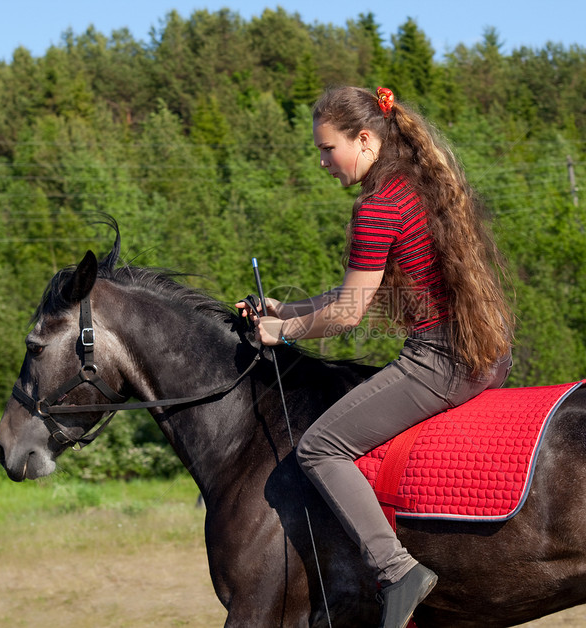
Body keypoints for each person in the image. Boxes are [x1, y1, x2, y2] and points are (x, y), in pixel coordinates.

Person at [237, 86, 514, 628]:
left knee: (319, 447)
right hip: (482, 352)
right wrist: (284, 308)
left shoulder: (378, 205)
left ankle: (396, 569)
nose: (321, 162)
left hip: (441, 361)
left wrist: (280, 331)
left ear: (364, 139)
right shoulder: (415, 186)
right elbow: (344, 299)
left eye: (326, 149)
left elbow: (347, 315)